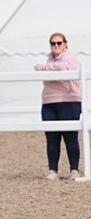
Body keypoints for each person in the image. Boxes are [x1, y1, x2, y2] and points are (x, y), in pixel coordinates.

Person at [34, 32, 82, 180]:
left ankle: (74, 170)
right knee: (51, 137)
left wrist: (43, 68)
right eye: (53, 43)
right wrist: (46, 68)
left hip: (69, 100)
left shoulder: (69, 57)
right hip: (49, 101)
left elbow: (62, 68)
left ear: (65, 44)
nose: (56, 45)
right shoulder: (49, 59)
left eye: (59, 43)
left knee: (70, 137)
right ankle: (53, 170)